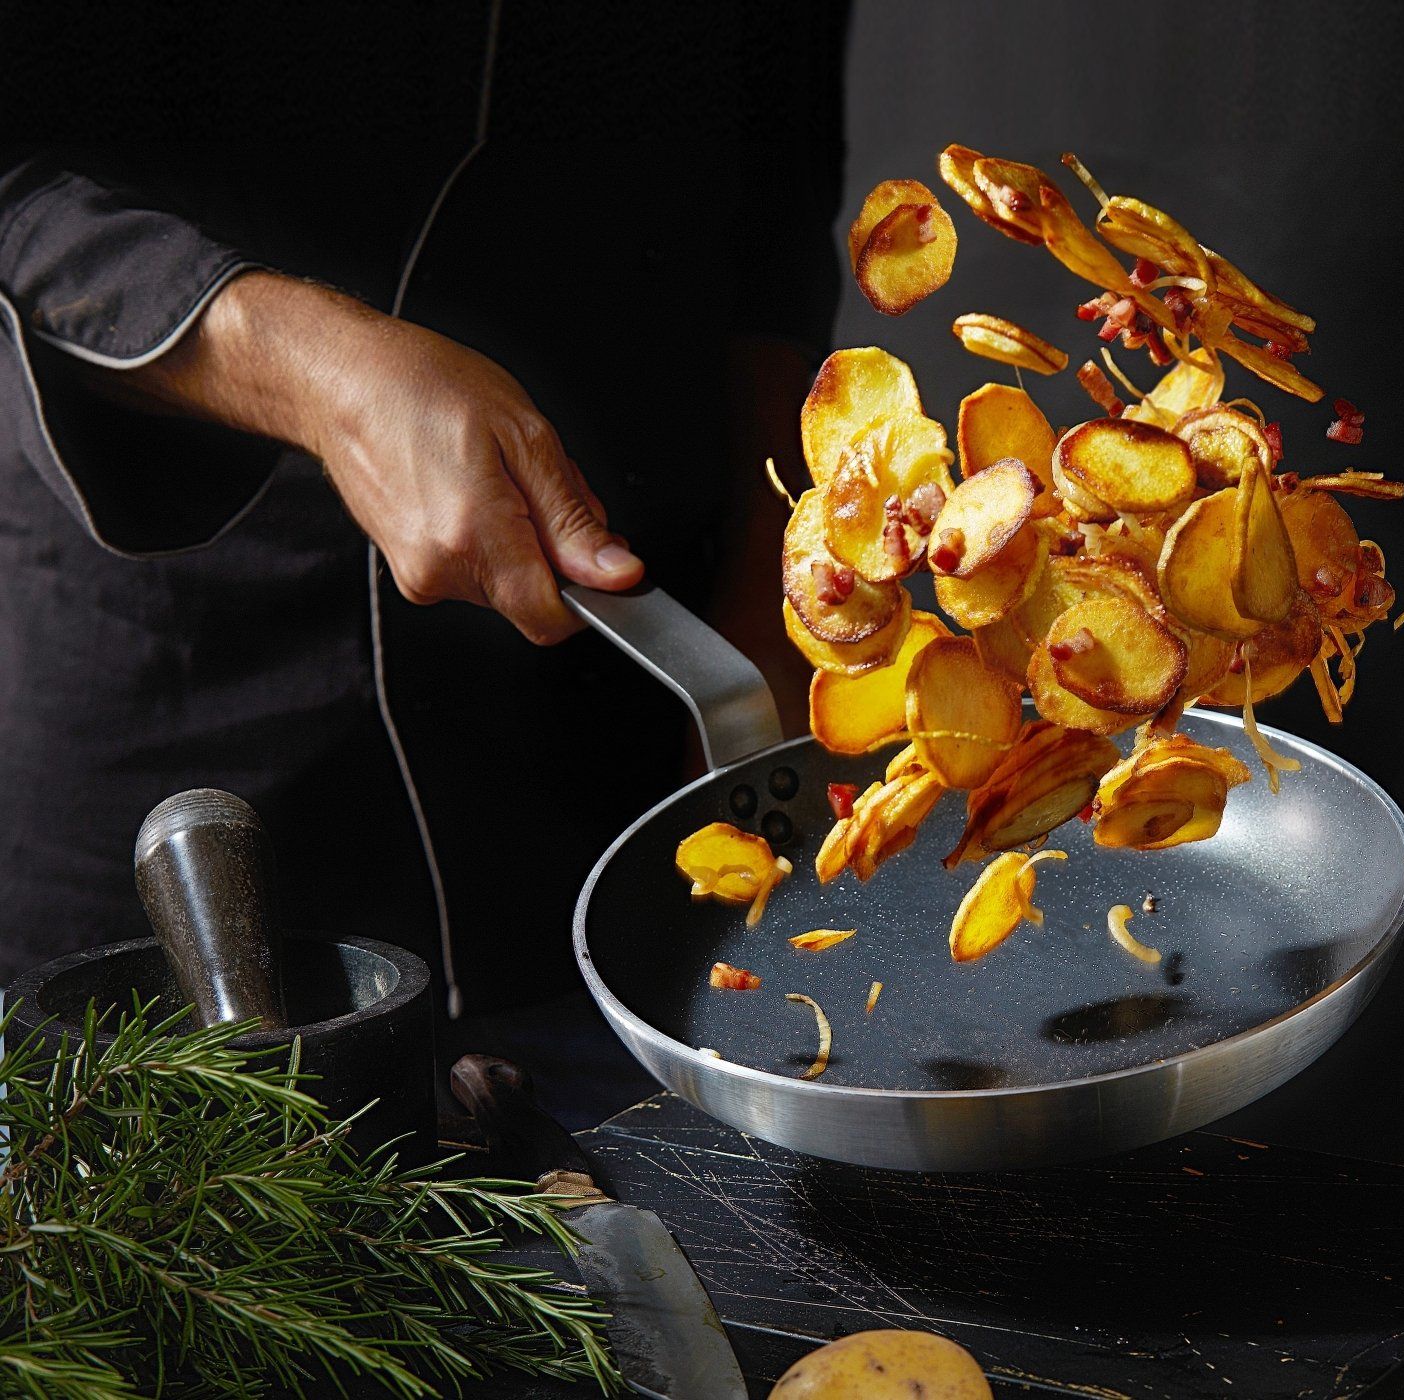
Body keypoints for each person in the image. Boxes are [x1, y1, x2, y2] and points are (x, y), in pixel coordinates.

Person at [0, 5, 847, 1034]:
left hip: (621, 716)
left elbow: (771, 184)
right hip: (192, 678)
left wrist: (776, 578)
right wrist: (318, 375)